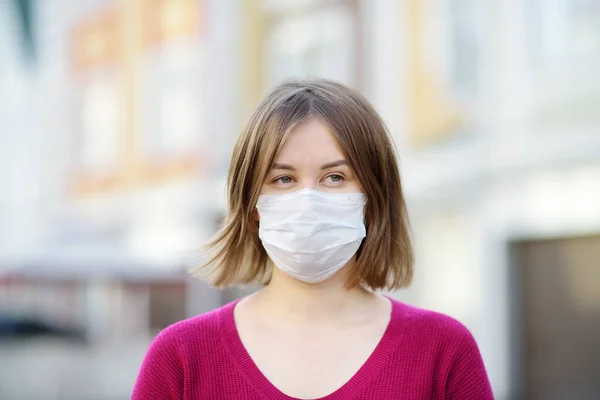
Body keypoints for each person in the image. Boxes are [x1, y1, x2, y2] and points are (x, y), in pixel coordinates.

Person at [131, 79, 494, 400]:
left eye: (335, 177)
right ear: (252, 204)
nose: (308, 200)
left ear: (373, 197)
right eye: (283, 179)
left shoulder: (442, 352)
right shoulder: (181, 357)